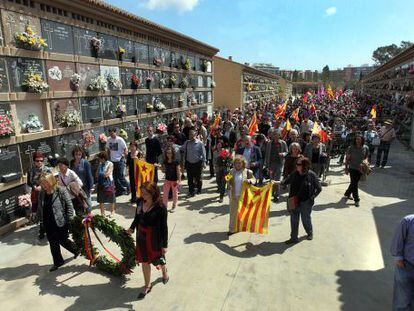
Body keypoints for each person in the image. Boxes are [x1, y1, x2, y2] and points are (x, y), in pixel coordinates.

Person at [127, 182, 168, 299]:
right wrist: (132, 228)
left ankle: (164, 271)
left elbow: (164, 227)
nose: (143, 196)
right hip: (141, 236)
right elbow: (137, 217)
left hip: (154, 237)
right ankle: (147, 285)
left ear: (153, 193)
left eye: (146, 194)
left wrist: (164, 245)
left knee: (158, 259)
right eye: (142, 193)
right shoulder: (140, 202)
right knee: (144, 261)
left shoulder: (161, 207)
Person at [37, 173, 79, 271]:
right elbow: (40, 208)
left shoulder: (61, 190)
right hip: (48, 222)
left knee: (62, 240)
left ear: (50, 181)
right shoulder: (42, 194)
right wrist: (38, 218)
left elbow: (69, 206)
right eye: (42, 183)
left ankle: (76, 249)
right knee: (53, 243)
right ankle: (58, 262)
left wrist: (70, 219)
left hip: (60, 221)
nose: (43, 185)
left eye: (45, 183)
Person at [279, 156, 321, 244]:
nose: (296, 166)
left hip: (306, 202)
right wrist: (277, 182)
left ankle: (309, 232)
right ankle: (293, 238)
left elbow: (319, 188)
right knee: (294, 220)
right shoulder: (294, 173)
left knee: (305, 219)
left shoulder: (312, 175)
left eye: (298, 164)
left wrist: (312, 197)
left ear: (304, 165)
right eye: (296, 164)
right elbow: (286, 181)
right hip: (293, 201)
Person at [390, 214, 414, 310]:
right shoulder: (408, 221)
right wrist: (399, 258)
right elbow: (397, 240)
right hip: (406, 265)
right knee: (402, 300)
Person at [226, 155, 253, 235]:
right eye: (236, 163)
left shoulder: (248, 172)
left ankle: (241, 226)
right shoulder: (231, 171)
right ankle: (232, 229)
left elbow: (254, 180)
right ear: (234, 164)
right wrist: (229, 184)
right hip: (233, 195)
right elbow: (227, 179)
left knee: (243, 212)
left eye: (239, 163)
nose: (238, 164)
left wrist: (249, 180)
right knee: (233, 213)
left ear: (243, 163)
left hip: (244, 196)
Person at [26, 151, 51, 239]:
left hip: (46, 193)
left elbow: (51, 181)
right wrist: (34, 186)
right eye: (37, 161)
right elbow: (29, 182)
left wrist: (42, 186)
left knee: (46, 211)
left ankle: (48, 228)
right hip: (36, 194)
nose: (39, 162)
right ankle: (42, 229)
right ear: (34, 161)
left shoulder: (47, 169)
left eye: (41, 160)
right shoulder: (31, 170)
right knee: (39, 211)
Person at [344, 134, 369, 207]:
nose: (358, 141)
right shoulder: (351, 148)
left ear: (362, 140)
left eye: (359, 139)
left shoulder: (366, 147)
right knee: (355, 184)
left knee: (354, 183)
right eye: (357, 139)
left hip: (361, 168)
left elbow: (366, 156)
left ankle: (347, 193)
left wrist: (365, 162)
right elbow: (347, 158)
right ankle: (356, 199)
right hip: (352, 167)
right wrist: (346, 168)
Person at [181, 127, 206, 197]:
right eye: (189, 134)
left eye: (191, 134)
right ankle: (191, 191)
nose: (190, 136)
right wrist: (173, 146)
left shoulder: (200, 143)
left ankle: (199, 189)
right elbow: (181, 148)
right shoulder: (187, 143)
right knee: (190, 178)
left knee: (198, 178)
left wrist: (204, 162)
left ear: (195, 134)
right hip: (189, 163)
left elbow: (203, 153)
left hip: (198, 163)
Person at [265, 129, 288, 202]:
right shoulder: (269, 143)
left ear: (279, 135)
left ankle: (276, 195)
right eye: (274, 134)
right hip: (271, 164)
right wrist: (266, 164)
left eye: (276, 134)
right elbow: (267, 154)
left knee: (277, 180)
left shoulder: (283, 143)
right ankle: (270, 193)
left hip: (279, 164)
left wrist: (283, 154)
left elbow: (287, 152)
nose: (275, 135)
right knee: (271, 179)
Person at [70, 146, 93, 213]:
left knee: (88, 204)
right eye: (76, 154)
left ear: (82, 154)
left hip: (85, 187)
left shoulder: (86, 163)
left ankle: (89, 217)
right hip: (76, 188)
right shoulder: (72, 162)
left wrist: (91, 187)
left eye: (79, 154)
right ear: (73, 155)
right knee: (79, 204)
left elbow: (89, 176)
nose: (77, 156)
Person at [107, 128, 129, 196]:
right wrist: (108, 158)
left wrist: (125, 157)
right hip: (112, 161)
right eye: (110, 133)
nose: (111, 135)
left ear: (115, 132)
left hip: (120, 160)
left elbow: (125, 149)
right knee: (115, 177)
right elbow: (108, 149)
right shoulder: (109, 140)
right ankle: (120, 190)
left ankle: (129, 187)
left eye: (112, 133)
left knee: (120, 176)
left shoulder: (120, 139)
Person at [96, 151, 116, 217]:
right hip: (101, 183)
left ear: (103, 158)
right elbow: (96, 174)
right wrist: (100, 174)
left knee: (111, 197)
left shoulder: (110, 164)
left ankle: (112, 211)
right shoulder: (100, 164)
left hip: (109, 182)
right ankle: (102, 213)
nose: (99, 160)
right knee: (101, 198)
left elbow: (107, 174)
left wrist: (101, 174)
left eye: (100, 159)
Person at [161, 146, 181, 212]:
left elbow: (178, 172)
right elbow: (164, 171)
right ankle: (164, 206)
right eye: (167, 153)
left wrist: (179, 180)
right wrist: (160, 167)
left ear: (173, 153)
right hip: (167, 180)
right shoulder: (165, 161)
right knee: (165, 194)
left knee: (175, 194)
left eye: (170, 153)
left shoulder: (176, 161)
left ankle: (174, 205)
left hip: (174, 181)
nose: (168, 154)